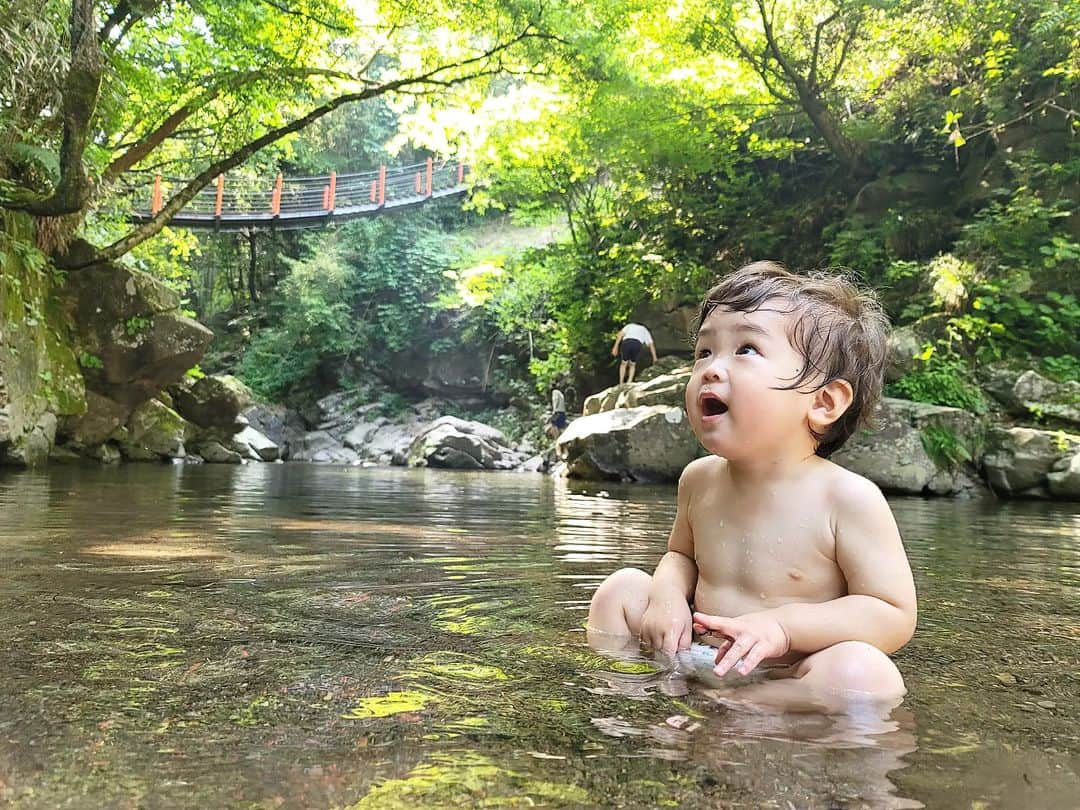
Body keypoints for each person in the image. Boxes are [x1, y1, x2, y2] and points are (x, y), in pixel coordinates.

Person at [587, 261, 917, 714]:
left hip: (784, 672)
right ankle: (631, 699)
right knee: (621, 589)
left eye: (746, 349)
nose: (710, 369)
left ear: (824, 402)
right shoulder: (698, 479)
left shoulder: (846, 499)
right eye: (703, 352)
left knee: (866, 672)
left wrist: (783, 628)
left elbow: (891, 613)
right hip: (690, 652)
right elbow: (680, 557)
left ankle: (751, 711)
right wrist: (666, 596)